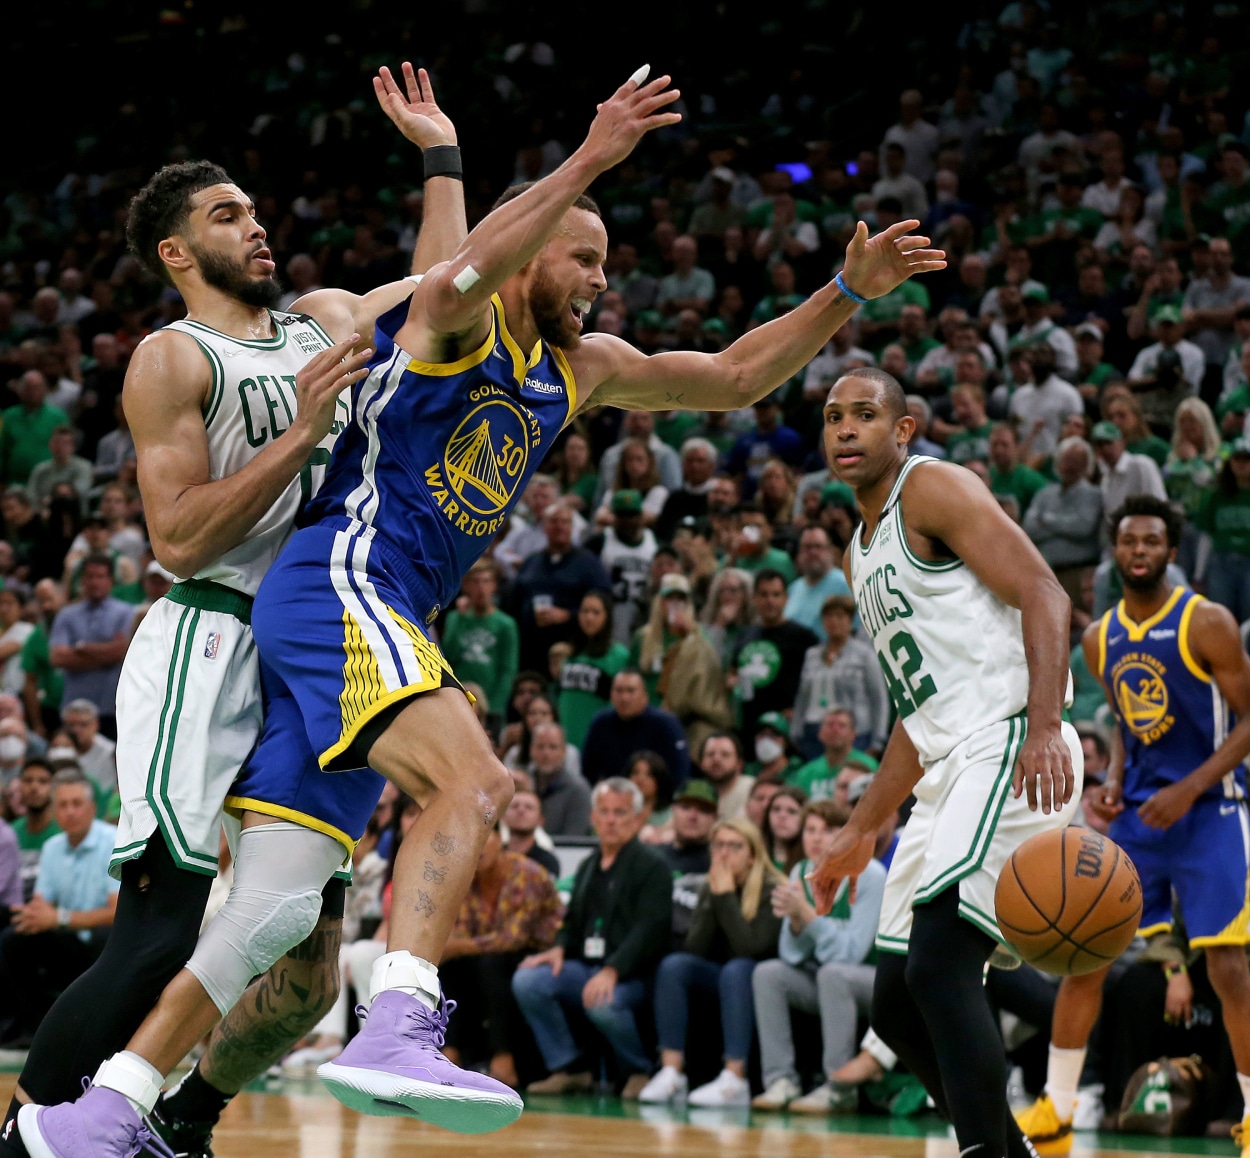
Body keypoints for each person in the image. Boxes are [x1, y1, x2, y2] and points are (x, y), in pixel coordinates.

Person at [43, 66, 941, 1144]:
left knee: (271, 910)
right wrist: (590, 158)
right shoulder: (458, 322)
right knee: (475, 780)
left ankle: (106, 1113)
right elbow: (458, 266)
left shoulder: (584, 367)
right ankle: (401, 1013)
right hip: (342, 580)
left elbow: (736, 375)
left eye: (606, 267)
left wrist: (843, 293)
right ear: (532, 249)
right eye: (584, 257)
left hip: (366, 615)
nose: (601, 283)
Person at [9, 63, 471, 1157]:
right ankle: (32, 1134)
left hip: (313, 644)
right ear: (176, 251)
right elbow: (176, 537)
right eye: (228, 216)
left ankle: (178, 1121)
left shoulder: (320, 320)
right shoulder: (173, 357)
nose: (257, 228)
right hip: (209, 635)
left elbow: (448, 285)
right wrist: (301, 437)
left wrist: (438, 154)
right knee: (161, 926)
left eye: (257, 211)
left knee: (305, 968)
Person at [808, 367, 1081, 1158]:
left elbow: (1045, 592)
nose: (846, 429)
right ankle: (1006, 1149)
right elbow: (914, 712)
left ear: (903, 430)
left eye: (865, 414)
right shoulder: (860, 556)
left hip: (1008, 740)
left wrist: (1043, 724)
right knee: (895, 1003)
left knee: (939, 964)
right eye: (833, 418)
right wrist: (861, 828)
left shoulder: (931, 488)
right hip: (950, 762)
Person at [1017, 495, 1250, 1157]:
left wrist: (1189, 787)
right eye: (1129, 541)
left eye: (1152, 541)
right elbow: (1126, 722)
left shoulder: (1207, 622)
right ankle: (1057, 1112)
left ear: (1171, 552)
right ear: (1114, 551)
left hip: (1211, 810)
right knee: (1083, 952)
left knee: (1228, 967)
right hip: (1144, 816)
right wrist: (1117, 779)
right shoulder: (1099, 638)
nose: (1140, 551)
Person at [512, 778, 672, 1099]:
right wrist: (558, 948)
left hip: (635, 975)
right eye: (605, 812)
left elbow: (649, 930)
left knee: (602, 1002)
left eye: (621, 813)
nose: (611, 820)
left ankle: (639, 1070)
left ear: (638, 819)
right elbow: (571, 920)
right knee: (529, 980)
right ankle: (570, 1068)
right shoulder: (588, 865)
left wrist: (612, 970)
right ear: (594, 818)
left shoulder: (654, 866)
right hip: (587, 968)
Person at [639, 817, 786, 1106]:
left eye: (734, 846)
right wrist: (713, 897)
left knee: (736, 969)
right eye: (718, 845)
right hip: (719, 973)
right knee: (674, 965)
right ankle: (671, 1071)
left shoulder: (772, 888)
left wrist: (726, 897)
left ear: (752, 854)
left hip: (756, 976)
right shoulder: (711, 884)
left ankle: (735, 1077)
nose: (724, 854)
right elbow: (695, 947)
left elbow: (750, 947)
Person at [751, 799, 887, 1111]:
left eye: (826, 831)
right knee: (768, 974)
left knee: (833, 974)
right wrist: (797, 924)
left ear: (846, 835)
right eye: (810, 830)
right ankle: (780, 1081)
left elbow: (851, 955)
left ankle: (837, 1088)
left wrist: (809, 917)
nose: (815, 838)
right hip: (831, 981)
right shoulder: (800, 871)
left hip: (877, 984)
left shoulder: (871, 875)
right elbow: (790, 955)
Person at [439, 821, 562, 1090]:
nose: (478, 847)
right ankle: (450, 1054)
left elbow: (514, 938)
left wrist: (459, 947)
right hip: (490, 955)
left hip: (541, 954)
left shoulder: (527, 874)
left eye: (485, 838)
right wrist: (455, 948)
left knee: (490, 965)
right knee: (452, 967)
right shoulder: (466, 878)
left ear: (500, 840)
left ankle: (504, 1059)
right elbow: (458, 935)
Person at [0, 771, 116, 1048]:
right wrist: (32, 917)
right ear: (55, 810)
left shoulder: (112, 840)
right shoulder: (52, 847)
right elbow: (42, 906)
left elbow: (116, 912)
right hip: (68, 937)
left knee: (104, 935)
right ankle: (34, 1026)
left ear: (91, 809)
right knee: (15, 938)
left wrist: (59, 918)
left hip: (105, 942)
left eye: (76, 804)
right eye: (62, 805)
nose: (70, 811)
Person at [633, 573, 731, 752]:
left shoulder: (700, 637)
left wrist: (691, 635)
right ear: (659, 602)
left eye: (681, 599)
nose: (675, 605)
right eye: (669, 598)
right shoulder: (643, 637)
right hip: (647, 715)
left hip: (683, 719)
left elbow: (711, 676)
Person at [793, 595, 890, 758]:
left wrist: (877, 740)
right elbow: (803, 697)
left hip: (854, 733)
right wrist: (796, 731)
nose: (834, 621)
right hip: (814, 732)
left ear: (850, 620)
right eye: (829, 616)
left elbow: (879, 698)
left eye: (840, 616)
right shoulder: (812, 654)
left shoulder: (865, 655)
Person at [47, 555, 132, 737]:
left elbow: (121, 653)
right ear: (82, 580)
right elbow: (57, 657)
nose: (94, 582)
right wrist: (106, 655)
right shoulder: (67, 614)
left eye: (100, 577)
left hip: (111, 707)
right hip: (73, 708)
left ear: (110, 580)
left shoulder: (126, 613)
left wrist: (82, 648)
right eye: (90, 577)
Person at [730, 570, 819, 740]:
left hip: (786, 729)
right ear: (754, 598)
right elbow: (733, 672)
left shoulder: (804, 638)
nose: (770, 601)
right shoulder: (744, 636)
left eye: (776, 595)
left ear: (786, 598)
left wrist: (798, 710)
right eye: (764, 595)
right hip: (749, 725)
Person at [439, 559, 519, 720]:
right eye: (475, 582)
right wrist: (462, 619)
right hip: (458, 701)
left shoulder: (506, 624)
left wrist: (494, 707)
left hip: (491, 705)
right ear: (466, 586)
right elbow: (448, 657)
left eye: (486, 581)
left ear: (494, 585)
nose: (481, 588)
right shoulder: (455, 619)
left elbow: (508, 671)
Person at [582, 669, 690, 787]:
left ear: (645, 696)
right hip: (614, 797)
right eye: (619, 691)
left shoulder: (666, 725)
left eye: (631, 691)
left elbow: (680, 772)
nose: (624, 698)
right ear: (611, 695)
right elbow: (587, 771)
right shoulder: (601, 723)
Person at [556, 591, 629, 749]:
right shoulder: (571, 653)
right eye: (585, 611)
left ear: (607, 617)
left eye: (596, 612)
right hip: (564, 740)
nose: (589, 617)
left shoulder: (618, 655)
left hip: (596, 739)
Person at [1198, 438, 1250, 624]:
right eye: (1237, 459)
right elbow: (1205, 536)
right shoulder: (1215, 496)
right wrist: (1199, 574)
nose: (1242, 464)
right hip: (1221, 562)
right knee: (1220, 620)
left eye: (1247, 459)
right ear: (1230, 463)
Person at [788, 708, 880, 801]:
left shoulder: (869, 765)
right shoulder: (806, 773)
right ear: (820, 734)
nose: (835, 730)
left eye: (842, 725)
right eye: (830, 725)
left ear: (853, 734)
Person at [784, 525, 853, 640]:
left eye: (818, 546)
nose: (813, 552)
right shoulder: (793, 588)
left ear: (830, 551)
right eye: (807, 547)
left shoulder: (846, 584)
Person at [527, 722, 592, 837]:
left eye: (553, 747)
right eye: (540, 746)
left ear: (564, 751)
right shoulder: (521, 784)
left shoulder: (579, 789)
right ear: (531, 750)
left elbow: (575, 837)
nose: (546, 753)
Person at [1091, 419, 1167, 513]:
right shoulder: (1105, 477)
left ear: (1122, 443)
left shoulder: (1141, 465)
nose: (1105, 449)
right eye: (1100, 445)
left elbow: (1159, 503)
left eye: (1108, 443)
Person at [11, 760, 60, 902]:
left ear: (54, 789)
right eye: (28, 781)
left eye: (43, 781)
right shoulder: (11, 833)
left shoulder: (65, 832)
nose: (34, 787)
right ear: (19, 787)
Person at [657, 780, 719, 873]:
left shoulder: (719, 862)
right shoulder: (652, 857)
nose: (693, 816)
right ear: (673, 810)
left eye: (703, 810)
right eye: (685, 807)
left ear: (715, 818)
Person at [59, 699, 117, 798]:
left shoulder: (111, 752)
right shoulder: (59, 752)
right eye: (71, 725)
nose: (76, 730)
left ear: (96, 724)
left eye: (83, 724)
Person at [699, 731, 754, 821]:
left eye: (725, 754)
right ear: (701, 763)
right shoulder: (694, 792)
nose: (716, 759)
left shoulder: (752, 789)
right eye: (710, 754)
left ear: (739, 764)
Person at [761, 785, 808, 873]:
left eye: (791, 811)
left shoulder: (809, 864)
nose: (782, 816)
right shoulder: (755, 856)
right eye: (776, 809)